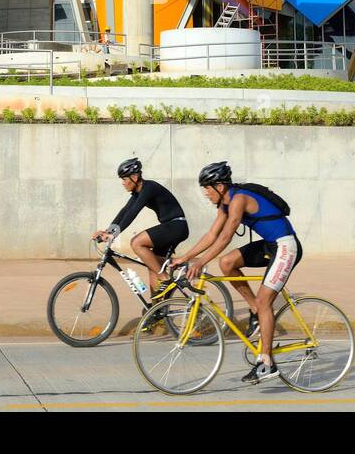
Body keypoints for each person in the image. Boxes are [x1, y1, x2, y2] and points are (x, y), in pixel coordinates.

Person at [172, 161, 301, 384]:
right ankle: (254, 309)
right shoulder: (225, 204)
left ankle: (266, 363)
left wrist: (201, 262)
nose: (205, 193)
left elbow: (225, 237)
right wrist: (185, 257)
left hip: (285, 246)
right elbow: (212, 234)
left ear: (220, 186)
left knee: (265, 302)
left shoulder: (238, 199)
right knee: (227, 263)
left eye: (207, 188)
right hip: (270, 245)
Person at [91, 158, 187, 297]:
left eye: (124, 179)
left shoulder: (149, 188)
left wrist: (113, 234)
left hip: (176, 226)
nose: (123, 183)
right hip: (171, 226)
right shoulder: (138, 193)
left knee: (136, 242)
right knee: (153, 267)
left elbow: (133, 212)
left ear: (135, 177)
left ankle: (166, 279)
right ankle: (157, 313)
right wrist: (107, 231)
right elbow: (125, 211)